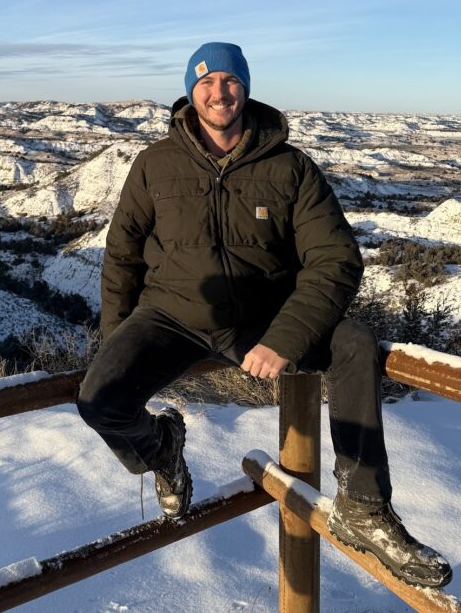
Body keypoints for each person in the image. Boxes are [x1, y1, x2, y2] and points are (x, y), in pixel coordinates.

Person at [77, 42, 452, 589]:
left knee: (353, 342)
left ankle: (364, 508)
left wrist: (284, 339)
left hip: (263, 321)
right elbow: (122, 255)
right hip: (170, 316)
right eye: (206, 82)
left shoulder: (290, 166)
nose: (219, 92)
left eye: (229, 80)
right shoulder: (155, 164)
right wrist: (117, 342)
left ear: (246, 88)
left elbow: (336, 259)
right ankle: (162, 448)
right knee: (99, 400)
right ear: (190, 92)